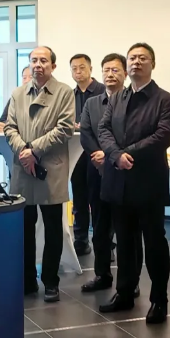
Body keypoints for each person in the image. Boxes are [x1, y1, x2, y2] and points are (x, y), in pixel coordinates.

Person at [98, 43, 170, 325]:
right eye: (132, 58)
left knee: (154, 243)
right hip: (119, 180)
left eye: (143, 58)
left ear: (152, 64)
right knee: (125, 242)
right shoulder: (118, 97)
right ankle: (125, 293)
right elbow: (103, 129)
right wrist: (116, 155)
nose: (136, 62)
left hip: (148, 182)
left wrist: (128, 153)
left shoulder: (164, 99)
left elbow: (163, 136)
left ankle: (159, 300)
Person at [4, 47, 74, 303]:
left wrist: (34, 150)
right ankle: (27, 279)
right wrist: (24, 151)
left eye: (43, 60)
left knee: (53, 228)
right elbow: (9, 127)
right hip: (23, 168)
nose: (38, 65)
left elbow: (64, 128)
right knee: (24, 227)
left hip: (50, 168)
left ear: (53, 66)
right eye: (34, 60)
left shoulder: (64, 92)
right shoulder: (18, 93)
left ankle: (51, 281)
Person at [79, 53, 142, 294]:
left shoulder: (133, 101)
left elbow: (133, 136)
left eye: (115, 70)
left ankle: (131, 281)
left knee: (129, 231)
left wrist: (110, 156)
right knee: (100, 227)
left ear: (125, 73)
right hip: (96, 172)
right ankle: (102, 275)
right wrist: (98, 154)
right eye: (106, 70)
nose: (110, 74)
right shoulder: (92, 103)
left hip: (125, 172)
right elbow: (86, 133)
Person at [70, 54, 106, 256]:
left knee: (100, 200)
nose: (78, 71)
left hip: (98, 153)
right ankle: (80, 240)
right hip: (76, 155)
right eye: (74, 68)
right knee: (79, 199)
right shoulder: (69, 95)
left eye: (82, 67)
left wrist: (85, 125)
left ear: (91, 69)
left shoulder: (103, 92)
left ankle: (105, 245)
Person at [0, 66, 31, 133]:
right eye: (24, 78)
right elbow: (2, 121)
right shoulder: (15, 98)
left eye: (31, 77)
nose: (27, 81)